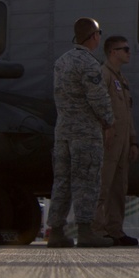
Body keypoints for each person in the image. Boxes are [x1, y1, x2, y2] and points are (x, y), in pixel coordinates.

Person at [47, 17, 115, 248]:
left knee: (62, 181)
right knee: (86, 180)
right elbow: (97, 98)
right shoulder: (88, 63)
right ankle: (86, 232)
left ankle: (56, 231)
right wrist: (108, 121)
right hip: (85, 132)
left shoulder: (61, 61)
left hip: (63, 130)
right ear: (93, 36)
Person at [93, 35, 139, 246]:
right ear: (113, 52)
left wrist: (133, 141)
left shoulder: (122, 79)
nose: (129, 53)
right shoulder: (103, 75)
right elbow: (97, 105)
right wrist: (104, 129)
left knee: (119, 187)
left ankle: (115, 229)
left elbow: (127, 113)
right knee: (103, 185)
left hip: (122, 141)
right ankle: (98, 230)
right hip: (108, 140)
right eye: (125, 49)